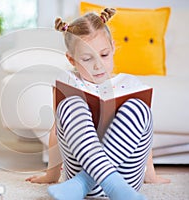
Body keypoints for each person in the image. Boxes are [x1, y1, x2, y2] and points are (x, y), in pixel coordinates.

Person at [26, 8, 170, 200]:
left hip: (125, 178)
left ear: (113, 47)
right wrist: (51, 175)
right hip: (79, 170)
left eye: (104, 55)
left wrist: (150, 174)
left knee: (140, 109)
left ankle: (87, 183)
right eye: (87, 59)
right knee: (70, 105)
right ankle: (95, 181)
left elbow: (144, 137)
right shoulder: (68, 81)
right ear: (71, 59)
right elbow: (57, 130)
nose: (97, 65)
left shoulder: (130, 83)